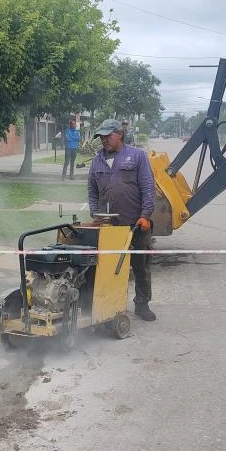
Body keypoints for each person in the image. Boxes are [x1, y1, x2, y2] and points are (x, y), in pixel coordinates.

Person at [87, 118, 156, 321]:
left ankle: (142, 304)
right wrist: (94, 213)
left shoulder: (137, 157)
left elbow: (147, 187)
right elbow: (92, 190)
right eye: (101, 137)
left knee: (141, 266)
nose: (104, 140)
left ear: (120, 134)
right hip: (108, 226)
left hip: (135, 224)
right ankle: (108, 305)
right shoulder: (97, 161)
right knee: (107, 267)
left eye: (108, 136)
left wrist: (145, 215)